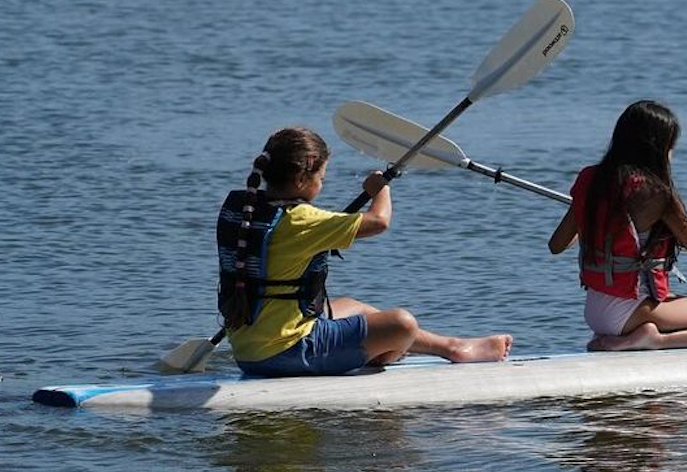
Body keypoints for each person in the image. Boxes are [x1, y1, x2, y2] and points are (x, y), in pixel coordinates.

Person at [219, 126, 512, 377]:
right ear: (300, 180)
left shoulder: (239, 207)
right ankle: (392, 350)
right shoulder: (300, 220)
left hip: (247, 349)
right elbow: (379, 222)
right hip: (288, 355)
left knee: (354, 306)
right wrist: (379, 189)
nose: (322, 183)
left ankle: (452, 347)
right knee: (402, 323)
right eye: (321, 177)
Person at [548, 100, 687, 352]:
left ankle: (630, 336)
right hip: (629, 309)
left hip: (595, 310)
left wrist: (586, 221)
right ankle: (653, 340)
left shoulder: (590, 179)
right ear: (657, 147)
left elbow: (556, 245)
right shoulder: (657, 193)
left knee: (682, 309)